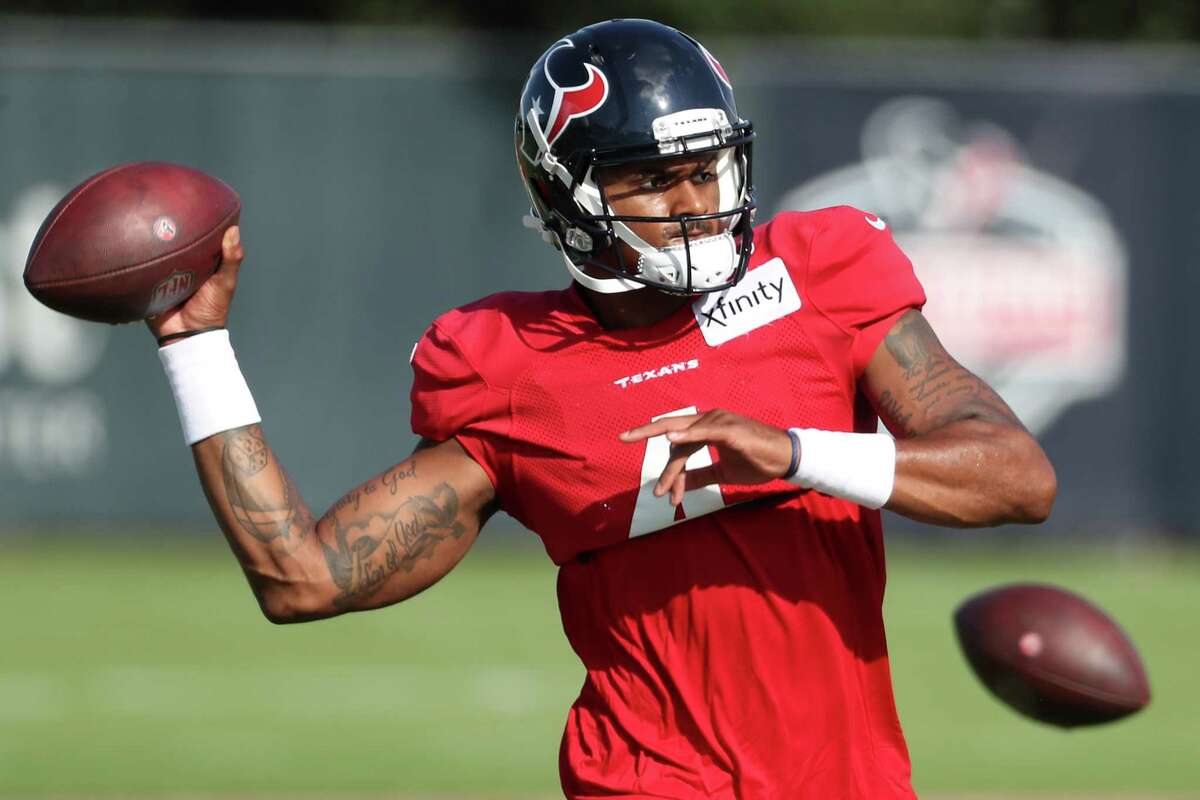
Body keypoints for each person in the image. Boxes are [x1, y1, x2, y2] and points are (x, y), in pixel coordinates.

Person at [149, 19, 1056, 800]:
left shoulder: (818, 274)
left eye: (710, 169)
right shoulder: (511, 368)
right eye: (656, 180)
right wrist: (196, 346)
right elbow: (301, 577)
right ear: (568, 194)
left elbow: (1017, 477)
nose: (698, 203)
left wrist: (794, 453)